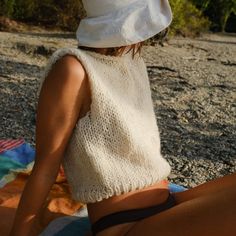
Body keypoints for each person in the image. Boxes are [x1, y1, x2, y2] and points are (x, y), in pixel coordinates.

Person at [10, 0, 236, 236]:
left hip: (167, 202)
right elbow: (46, 167)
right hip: (124, 225)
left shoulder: (132, 62)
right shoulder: (73, 69)